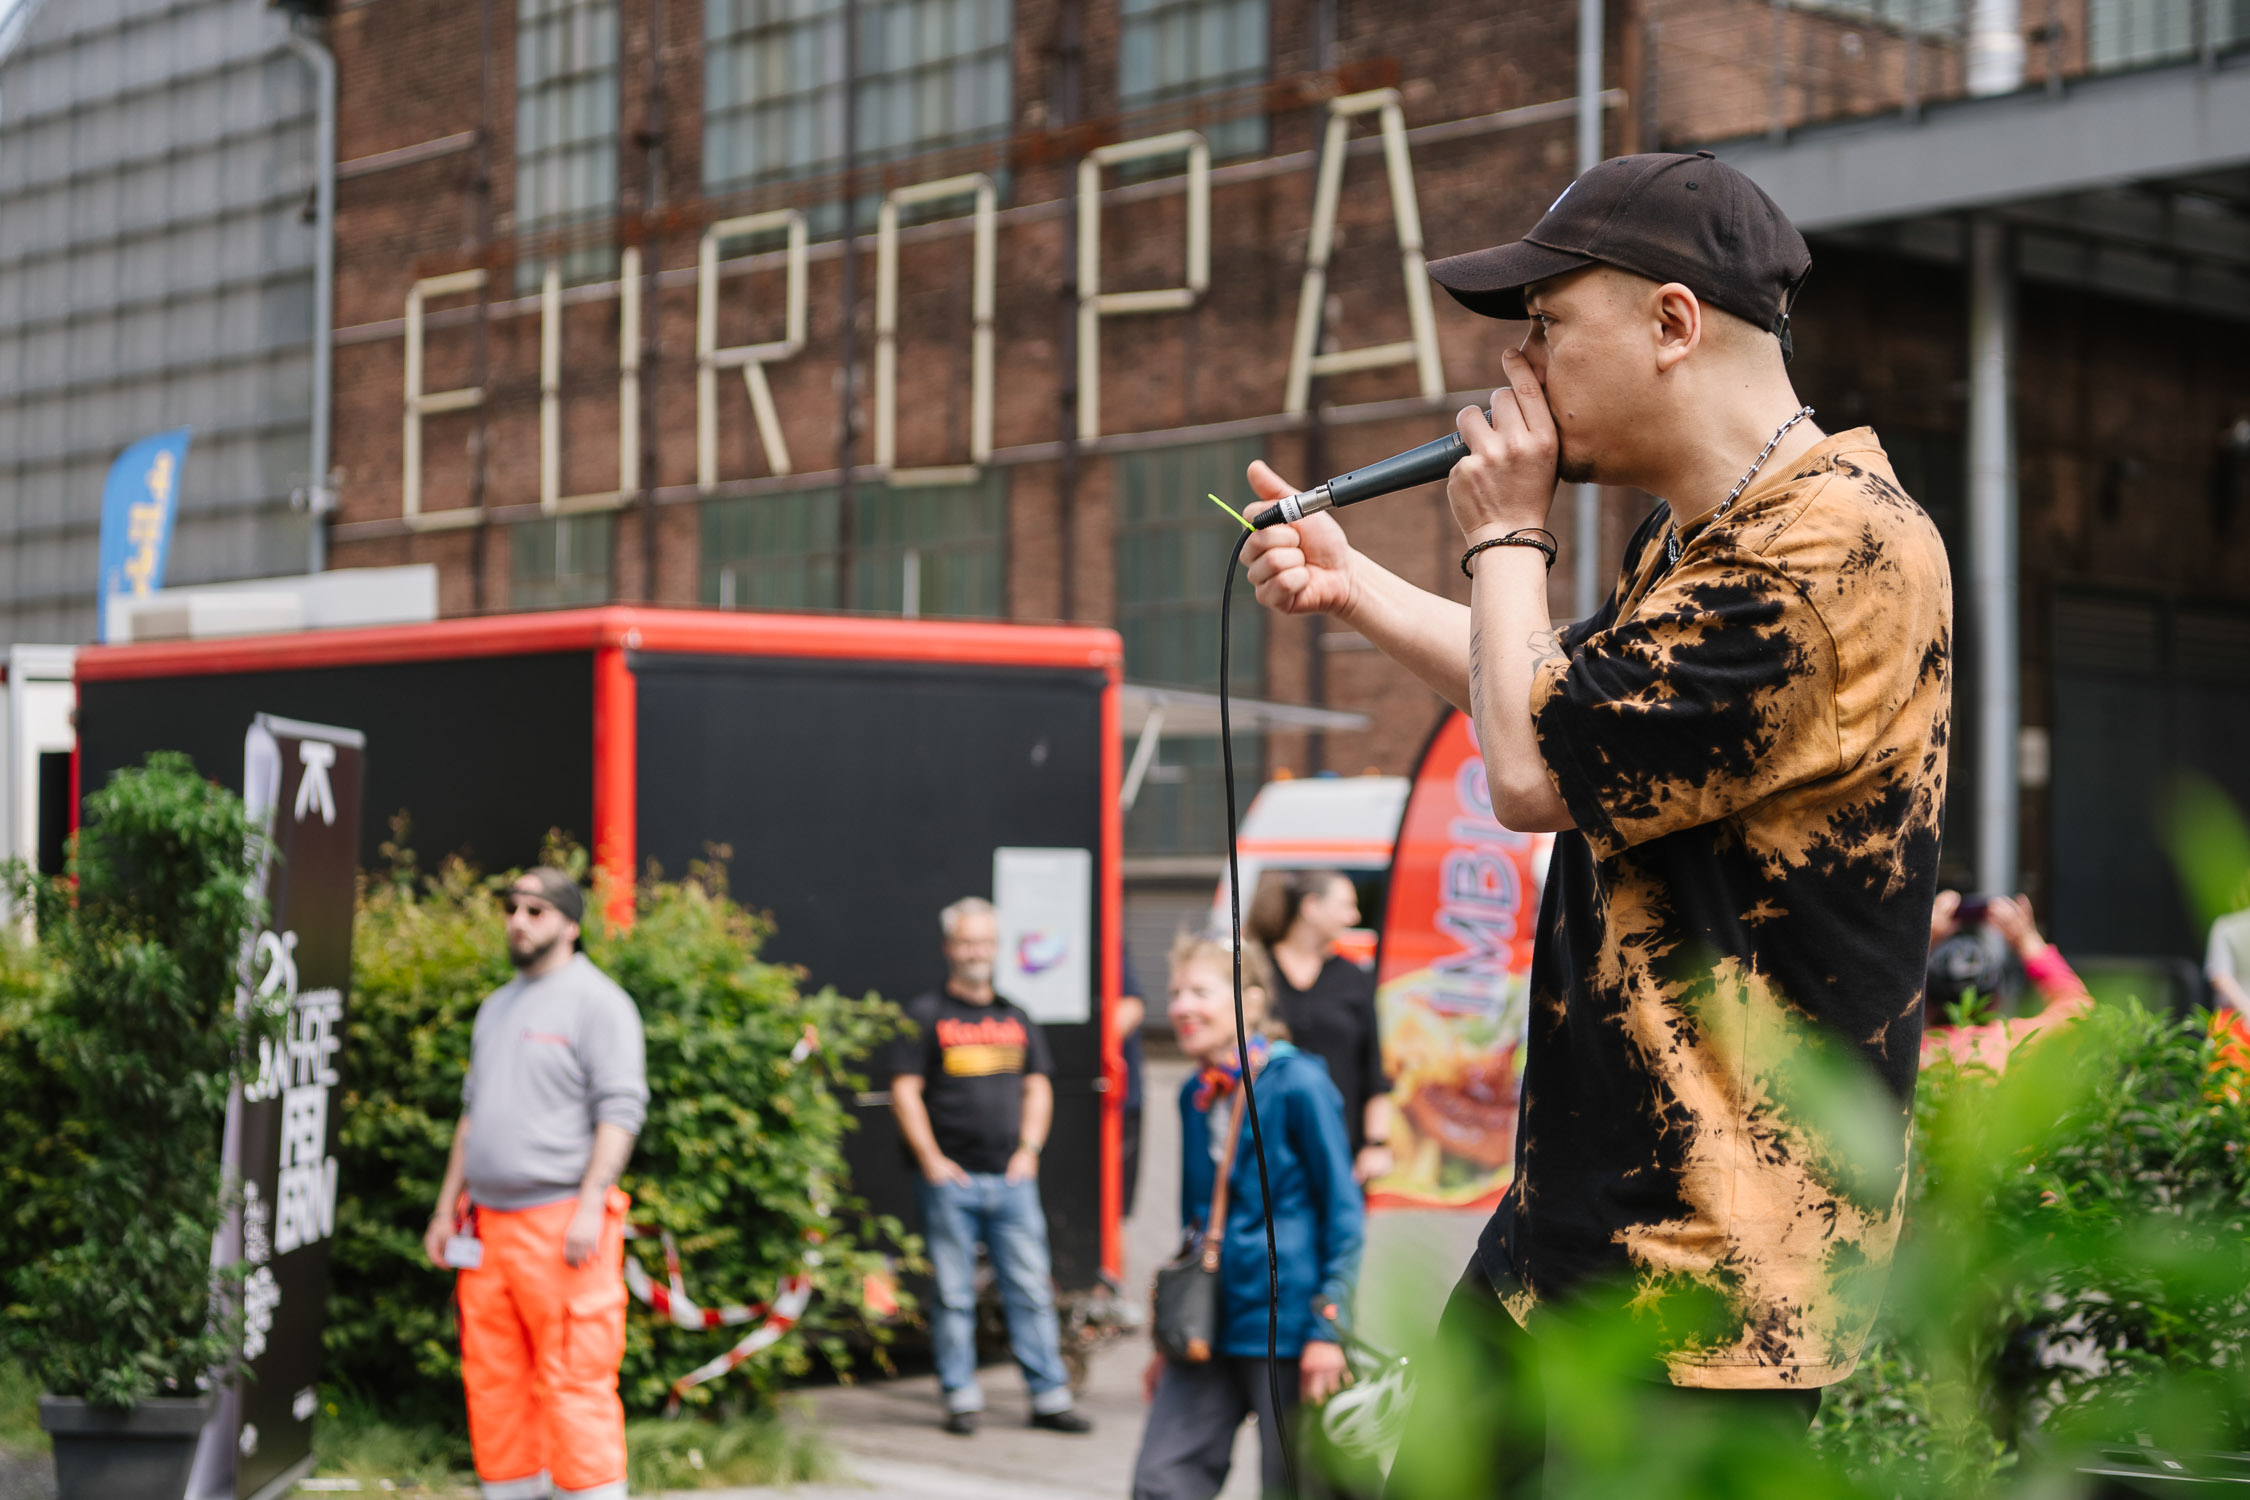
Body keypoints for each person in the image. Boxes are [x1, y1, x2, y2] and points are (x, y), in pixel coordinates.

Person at [1239, 152, 1952, 1491]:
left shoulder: (1836, 555)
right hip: (1564, 1229)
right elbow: (1559, 702)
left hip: (1705, 1283)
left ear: (1672, 323)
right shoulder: (1696, 533)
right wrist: (1356, 587)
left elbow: (1528, 778)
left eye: (1548, 324)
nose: (1518, 366)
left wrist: (1506, 533)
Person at [422, 868, 647, 1500]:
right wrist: (445, 1210)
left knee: (576, 1378)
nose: (518, 921)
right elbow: (471, 1116)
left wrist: (591, 1204)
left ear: (571, 925)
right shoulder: (496, 1006)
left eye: (536, 910)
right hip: (487, 1226)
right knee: (493, 1379)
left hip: (562, 1223)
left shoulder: (599, 1003)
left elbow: (620, 1111)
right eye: (512, 907)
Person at [1132, 936, 1364, 1500]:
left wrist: (1329, 1329)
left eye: (1200, 992)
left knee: (1302, 1488)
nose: (1181, 1007)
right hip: (1209, 1326)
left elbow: (1343, 1212)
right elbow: (1194, 1223)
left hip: (1289, 1327)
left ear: (1251, 1002)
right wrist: (1170, 1335)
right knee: (1160, 1480)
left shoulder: (1299, 1082)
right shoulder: (1194, 1092)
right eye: (1176, 993)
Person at [889, 896, 1092, 1436]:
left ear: (997, 947)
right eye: (967, 941)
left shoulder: (1015, 1015)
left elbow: (1038, 1087)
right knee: (953, 1295)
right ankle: (961, 1397)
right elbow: (905, 1092)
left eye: (985, 941)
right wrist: (931, 1160)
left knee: (1031, 1290)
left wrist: (1029, 1151)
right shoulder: (926, 1016)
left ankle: (1049, 1397)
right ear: (948, 948)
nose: (976, 951)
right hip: (949, 1182)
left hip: (1011, 1180)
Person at [1249, 871, 1393, 1182]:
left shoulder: (1354, 978)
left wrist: (1376, 1144)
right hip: (1266, 1149)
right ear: (1311, 907)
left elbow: (1373, 1069)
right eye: (1346, 905)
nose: (1354, 917)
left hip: (1340, 1152)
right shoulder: (1256, 971)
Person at [1922, 891, 2093, 1072]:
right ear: (1997, 998)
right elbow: (2080, 1010)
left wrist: (1922, 938)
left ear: (1925, 1001)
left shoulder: (1911, 1054)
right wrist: (2025, 939)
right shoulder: (2015, 1044)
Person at [2207, 894, 2250, 1015]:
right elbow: (2221, 978)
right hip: (2238, 1019)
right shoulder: (2227, 927)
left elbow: (2221, 977)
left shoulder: (2225, 927)